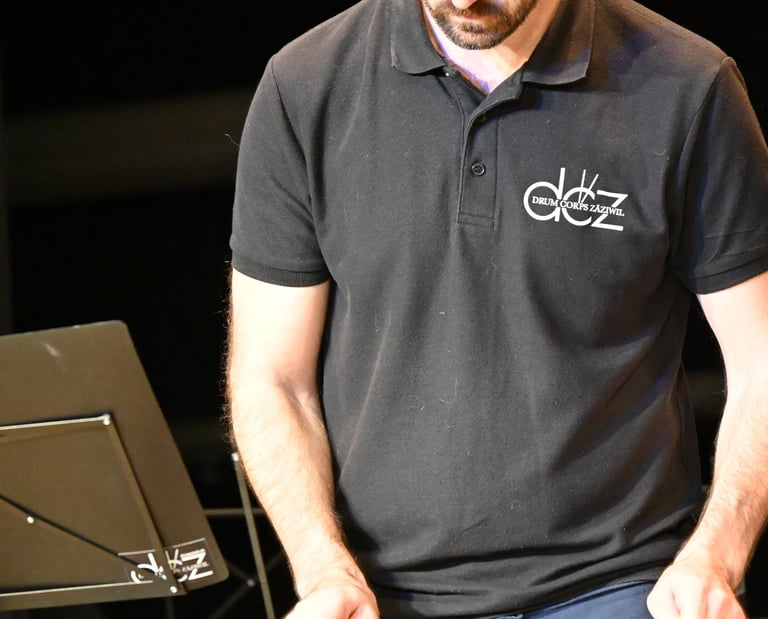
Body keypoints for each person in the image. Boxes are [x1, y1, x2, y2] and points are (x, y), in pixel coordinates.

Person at [224, 0, 768, 616]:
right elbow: (273, 378)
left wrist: (713, 559)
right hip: (382, 593)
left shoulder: (687, 85)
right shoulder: (305, 84)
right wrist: (323, 569)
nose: (463, 3)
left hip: (622, 583)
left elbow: (760, 362)